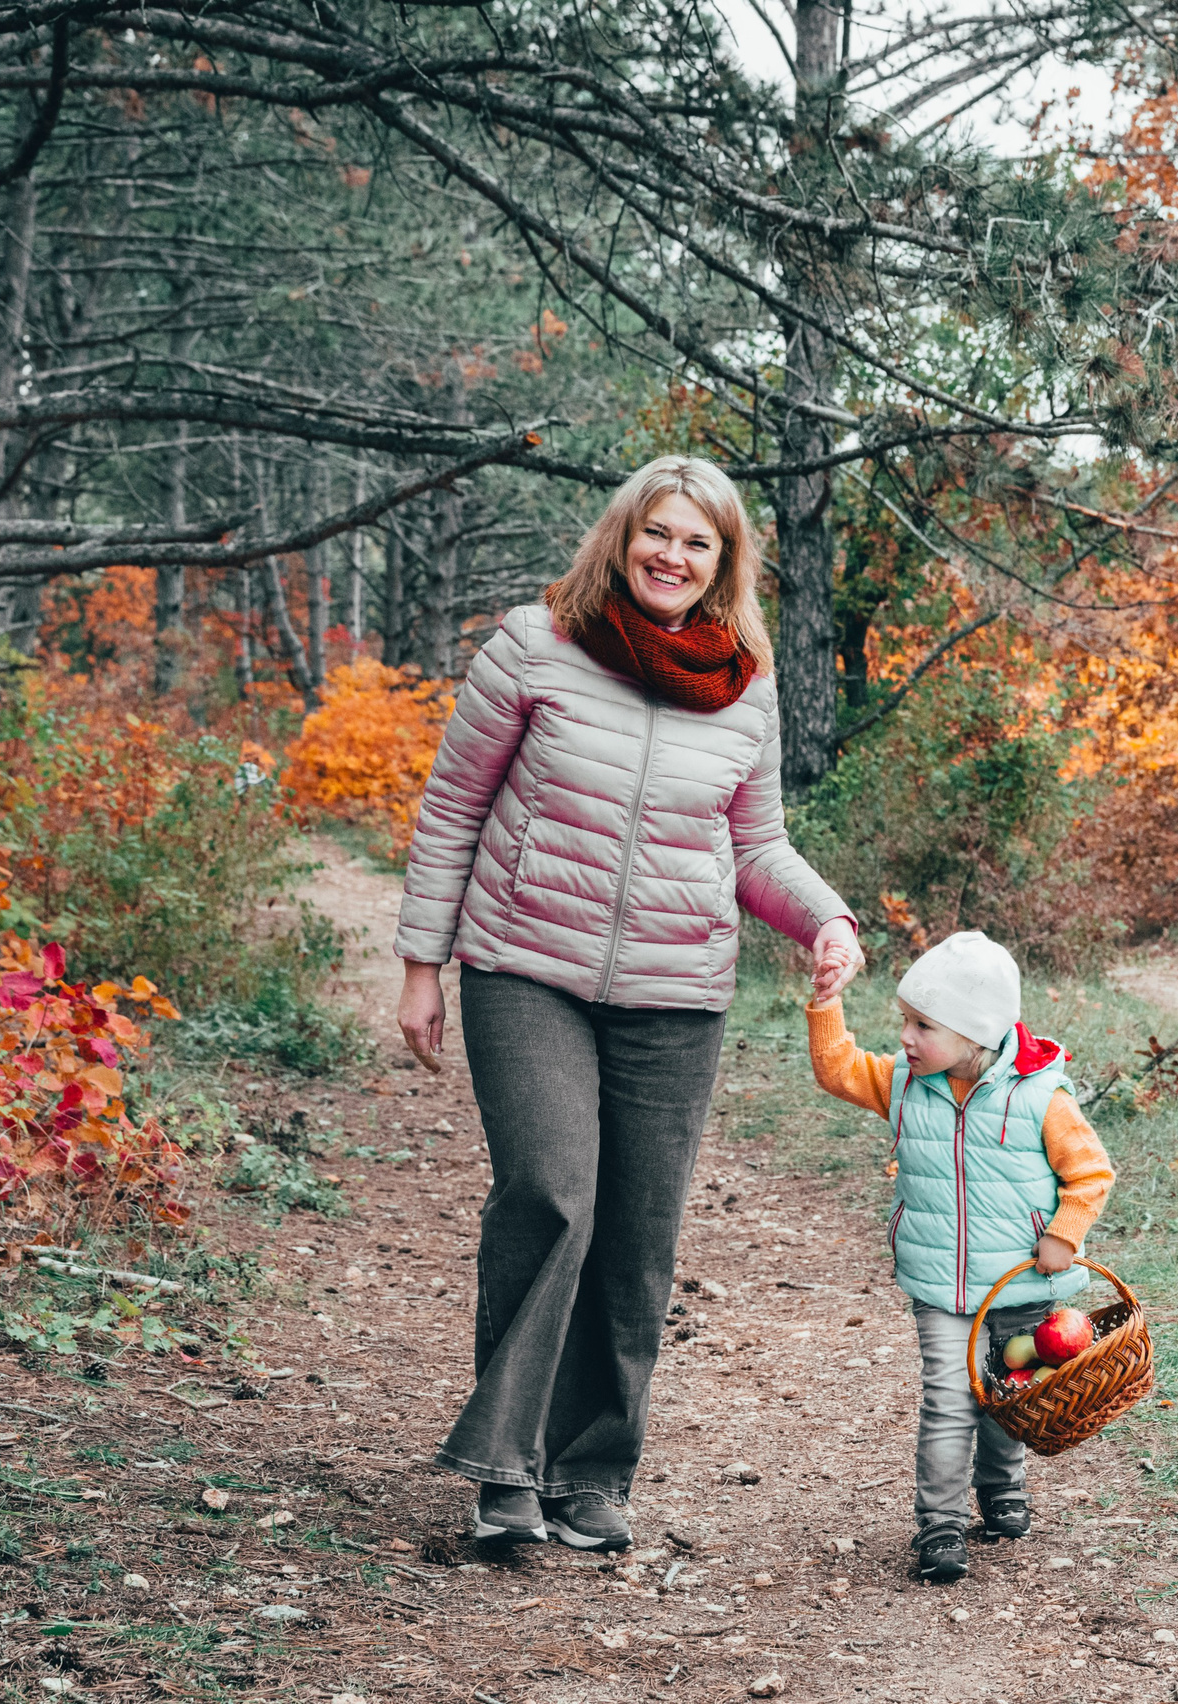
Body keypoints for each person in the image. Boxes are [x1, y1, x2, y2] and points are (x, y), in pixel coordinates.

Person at [394, 454, 864, 1552]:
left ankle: (590, 1471)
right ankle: (505, 1467)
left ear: (723, 561)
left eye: (698, 542)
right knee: (552, 1195)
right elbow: (453, 804)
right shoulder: (535, 644)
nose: (672, 556)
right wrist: (423, 962)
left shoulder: (745, 684)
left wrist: (827, 920)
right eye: (658, 532)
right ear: (622, 535)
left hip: (676, 994)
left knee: (638, 1235)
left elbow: (757, 847)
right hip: (526, 967)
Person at [804, 931, 1114, 1583]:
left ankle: (1001, 1487)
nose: (906, 1038)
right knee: (949, 1400)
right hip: (941, 1287)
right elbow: (836, 1068)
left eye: (923, 1025)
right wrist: (827, 1002)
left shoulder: (1041, 1099)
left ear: (975, 1034)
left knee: (1010, 1396)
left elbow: (1090, 1173)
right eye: (905, 1021)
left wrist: (1064, 1234)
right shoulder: (903, 1083)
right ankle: (940, 1523)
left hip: (1023, 1285)